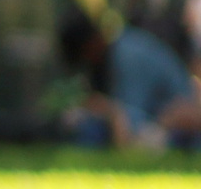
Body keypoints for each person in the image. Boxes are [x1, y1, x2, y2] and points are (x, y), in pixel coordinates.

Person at [58, 8, 201, 151]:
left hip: (178, 126)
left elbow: (130, 124)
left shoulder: (127, 56)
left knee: (92, 132)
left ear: (92, 43)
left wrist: (105, 108)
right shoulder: (117, 52)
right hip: (158, 123)